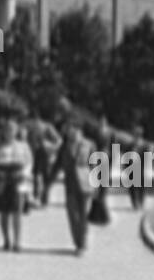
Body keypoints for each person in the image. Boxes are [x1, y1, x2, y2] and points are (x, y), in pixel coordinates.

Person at [47, 99, 99, 254]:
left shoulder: (89, 145)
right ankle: (78, 241)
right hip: (70, 184)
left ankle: (82, 244)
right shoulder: (64, 146)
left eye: (71, 129)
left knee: (83, 215)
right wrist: (48, 183)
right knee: (72, 215)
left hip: (86, 184)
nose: (68, 132)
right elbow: (57, 165)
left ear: (78, 130)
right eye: (67, 129)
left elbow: (96, 165)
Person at [0, 115, 33, 251]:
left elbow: (29, 162)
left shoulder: (23, 146)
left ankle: (18, 242)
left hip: (18, 180)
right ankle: (6, 240)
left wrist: (24, 173)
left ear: (16, 131)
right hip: (2, 179)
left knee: (17, 211)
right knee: (4, 212)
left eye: (12, 129)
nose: (9, 132)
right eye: (7, 129)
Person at [25, 117, 63, 206]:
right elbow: (59, 141)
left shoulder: (43, 126)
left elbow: (59, 141)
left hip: (42, 154)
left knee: (39, 176)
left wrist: (51, 147)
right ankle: (41, 199)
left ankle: (40, 198)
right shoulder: (46, 126)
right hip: (37, 154)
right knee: (40, 177)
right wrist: (53, 148)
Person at [129, 125, 148, 211]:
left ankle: (140, 202)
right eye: (135, 134)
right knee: (132, 187)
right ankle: (135, 203)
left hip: (141, 168)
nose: (136, 136)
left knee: (141, 187)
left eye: (138, 134)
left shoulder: (144, 146)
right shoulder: (130, 145)